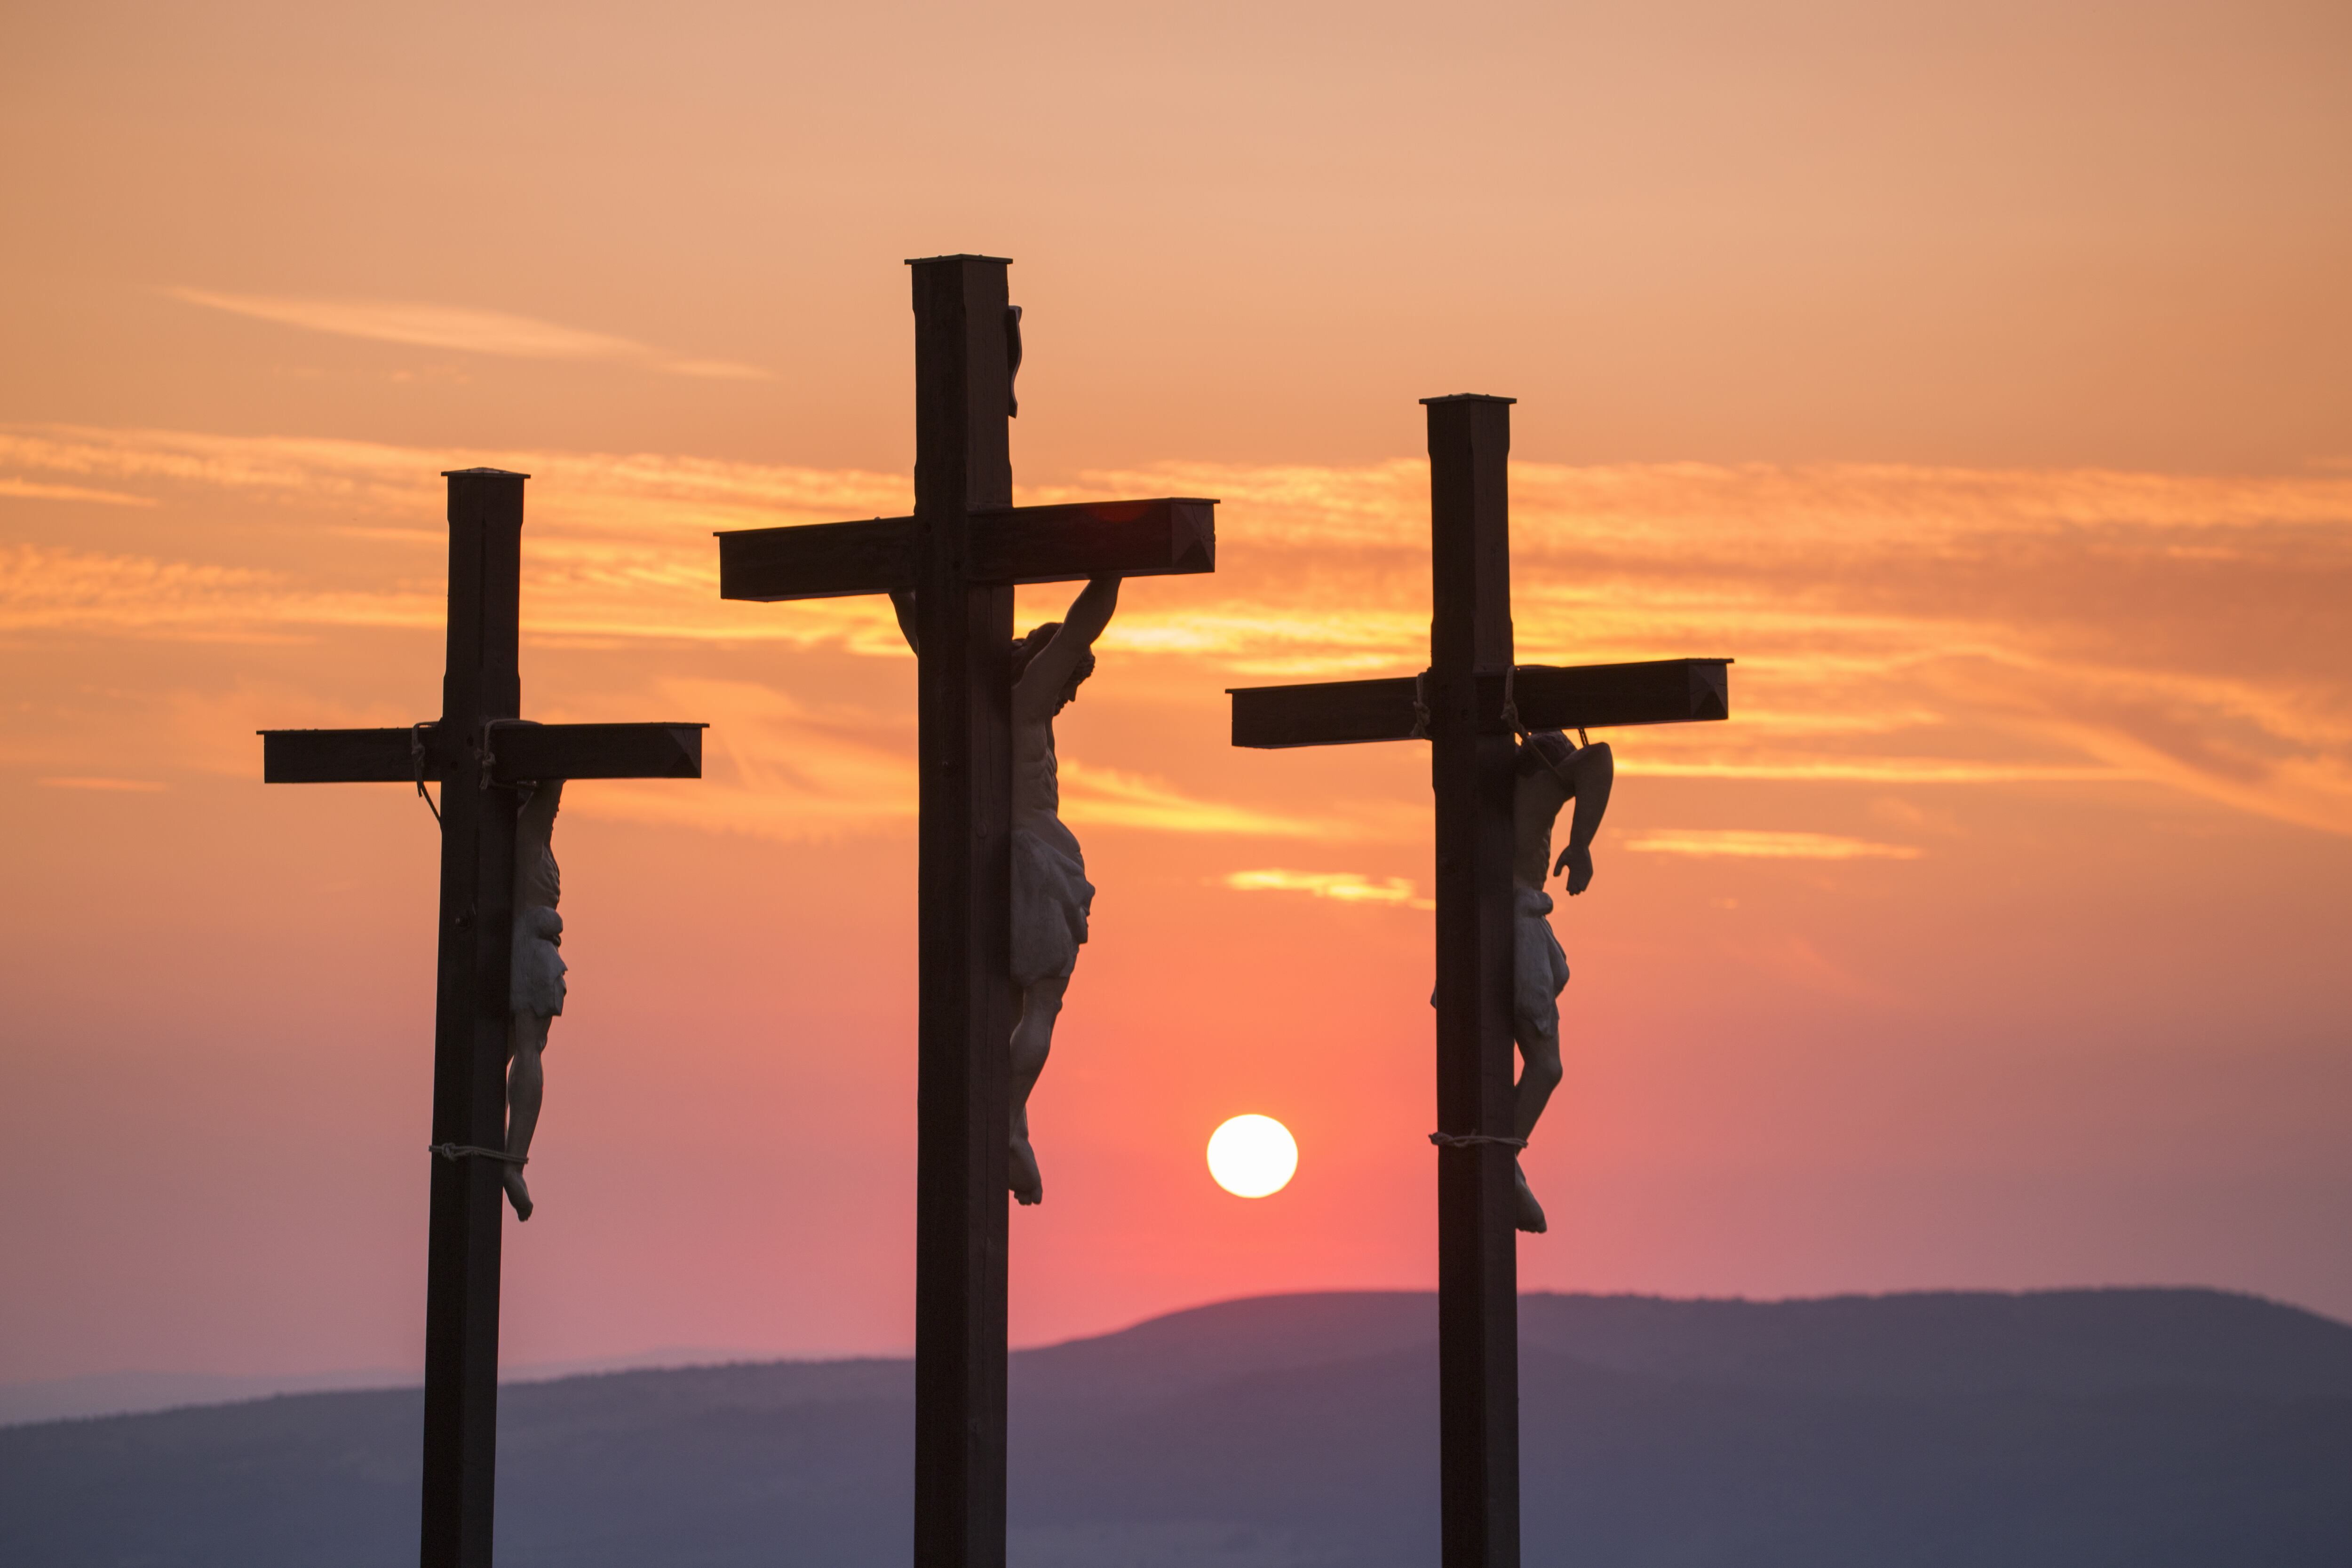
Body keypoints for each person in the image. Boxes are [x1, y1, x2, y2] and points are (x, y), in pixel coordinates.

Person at [891, 578, 1122, 1206]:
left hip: (996, 859)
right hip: (1035, 860)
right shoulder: (1026, 705)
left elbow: (931, 646)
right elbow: (1084, 624)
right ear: (1044, 663)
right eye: (1070, 678)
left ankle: (1014, 1122)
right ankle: (1007, 1113)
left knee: (1015, 1005)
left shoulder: (982, 708)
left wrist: (900, 586)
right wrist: (1116, 568)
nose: (1070, 695)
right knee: (1041, 1002)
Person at [1507, 729, 1613, 1233]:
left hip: (1508, 914)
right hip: (1514, 918)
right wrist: (1581, 845)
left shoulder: (1488, 784)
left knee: (1557, 979)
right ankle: (1500, 1161)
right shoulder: (1537, 781)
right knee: (1545, 1065)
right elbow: (1598, 760)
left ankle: (1501, 1157)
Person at [502, 777, 566, 1221]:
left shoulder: (530, 840)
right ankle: (512, 1163)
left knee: (524, 1051)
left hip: (533, 950)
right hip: (527, 951)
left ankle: (512, 1160)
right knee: (527, 1050)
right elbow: (557, 779)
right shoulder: (525, 834)